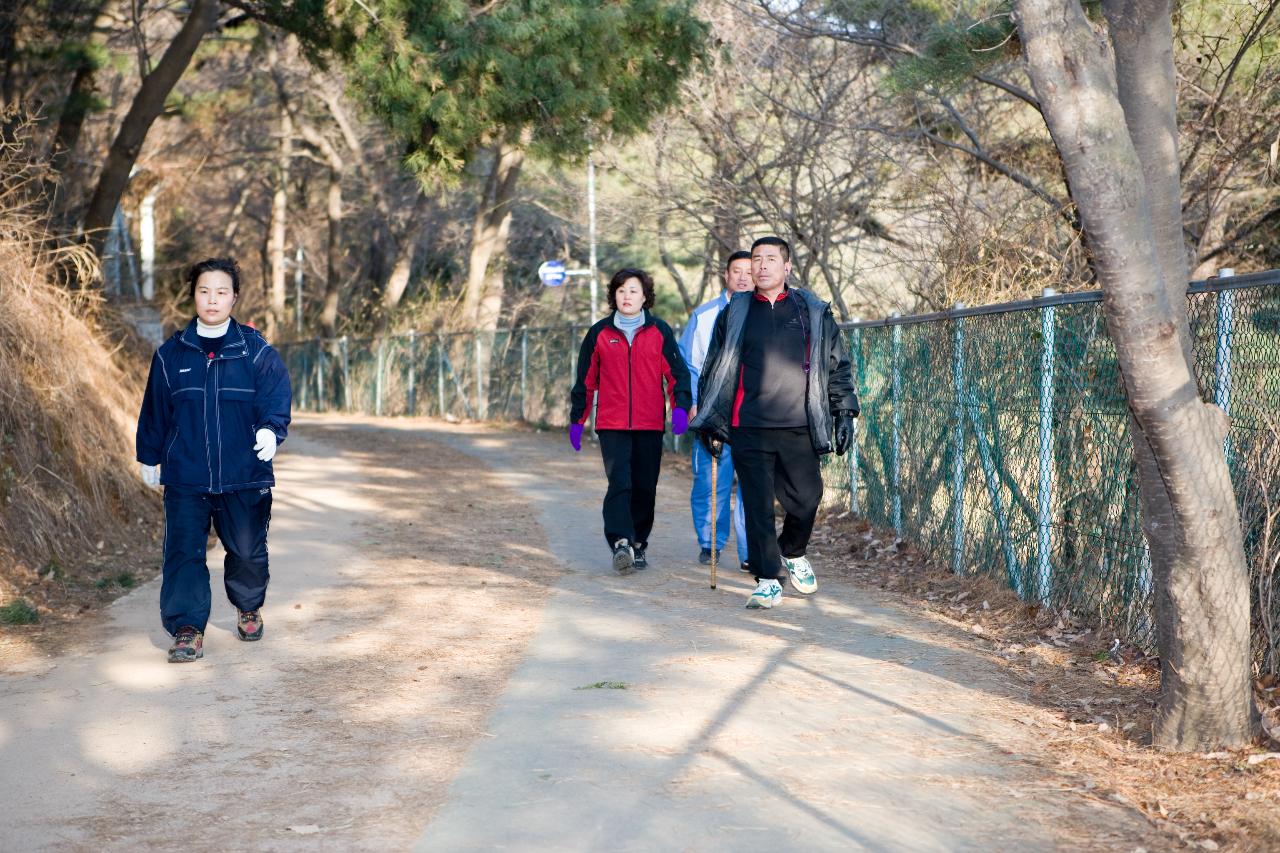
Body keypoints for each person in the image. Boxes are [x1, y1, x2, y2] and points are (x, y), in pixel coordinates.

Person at [135, 258, 292, 662]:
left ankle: (248, 604)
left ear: (234, 298)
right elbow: (155, 410)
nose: (212, 299)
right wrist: (148, 455)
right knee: (184, 552)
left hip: (244, 475)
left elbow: (276, 399)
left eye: (222, 292)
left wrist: (270, 432)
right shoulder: (172, 355)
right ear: (193, 296)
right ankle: (187, 628)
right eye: (204, 291)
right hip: (186, 476)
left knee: (246, 551)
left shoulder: (257, 353)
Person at [690, 236, 858, 609]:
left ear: (787, 267)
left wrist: (844, 411)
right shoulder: (735, 311)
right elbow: (714, 367)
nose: (761, 265)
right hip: (748, 424)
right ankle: (767, 578)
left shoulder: (811, 311)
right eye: (756, 259)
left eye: (770, 259)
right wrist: (710, 422)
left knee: (807, 497)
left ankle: (792, 550)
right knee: (756, 505)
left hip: (798, 422)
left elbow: (837, 365)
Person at [569, 268, 692, 574]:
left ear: (645, 297)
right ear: (614, 295)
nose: (627, 296)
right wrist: (577, 420)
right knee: (620, 483)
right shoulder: (599, 333)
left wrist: (680, 408)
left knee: (645, 487)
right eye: (622, 290)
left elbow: (677, 376)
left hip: (650, 424)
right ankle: (621, 542)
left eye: (633, 291)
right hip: (612, 424)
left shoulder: (659, 331)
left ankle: (638, 543)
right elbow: (586, 381)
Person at [679, 250, 753, 572]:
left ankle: (752, 549)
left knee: (754, 484)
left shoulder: (767, 315)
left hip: (752, 413)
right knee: (711, 482)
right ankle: (710, 543)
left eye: (749, 271)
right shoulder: (705, 315)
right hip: (713, 414)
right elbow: (687, 363)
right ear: (726, 275)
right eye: (737, 271)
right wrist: (693, 403)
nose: (743, 277)